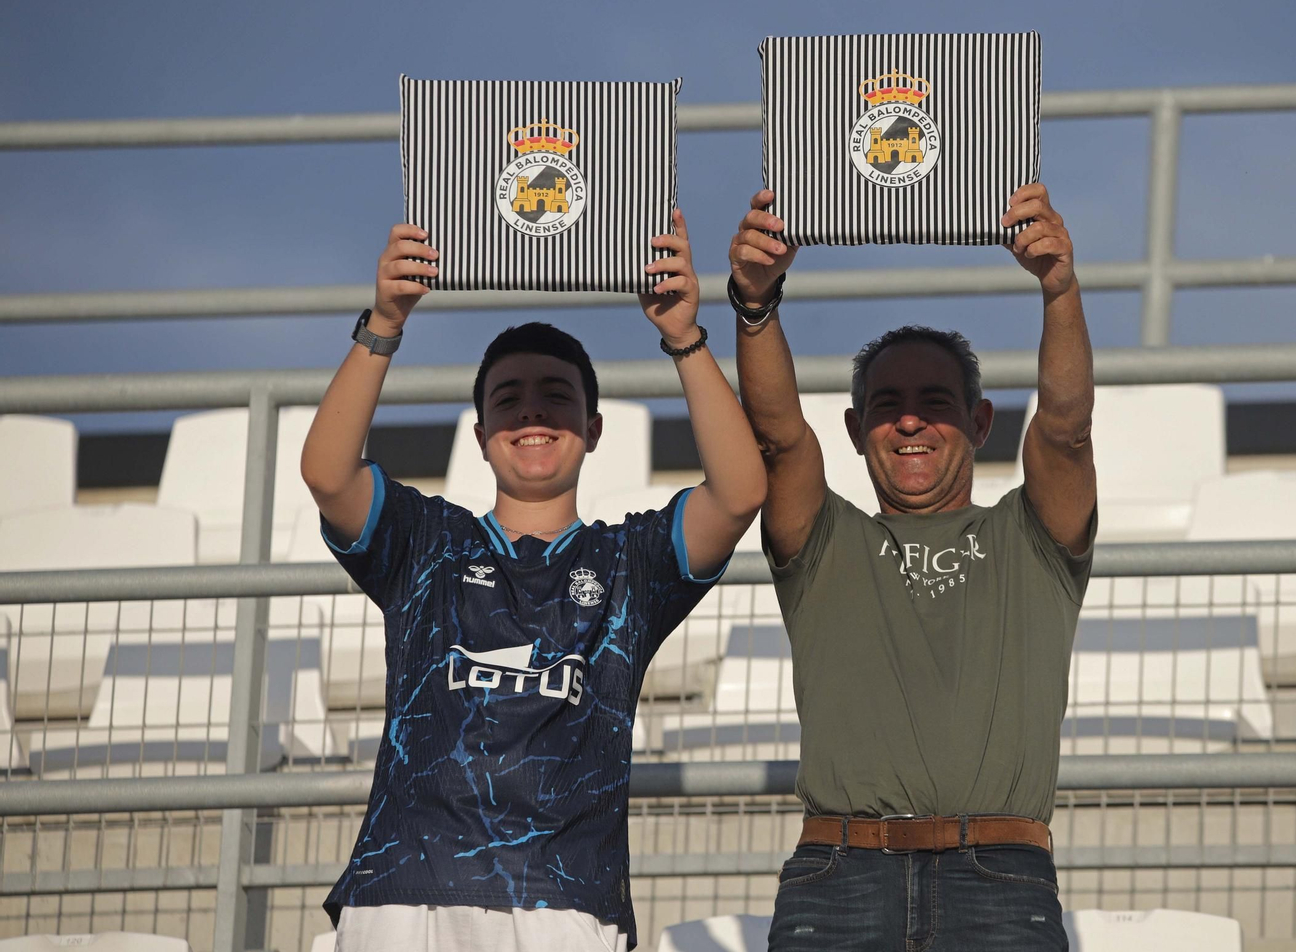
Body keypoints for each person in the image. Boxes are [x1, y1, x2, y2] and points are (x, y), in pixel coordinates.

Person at [302, 213, 765, 951]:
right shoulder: (428, 542)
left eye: (556, 394)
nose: (532, 411)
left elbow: (741, 490)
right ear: (481, 433)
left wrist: (683, 334)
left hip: (565, 898)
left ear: (595, 426)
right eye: (508, 398)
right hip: (405, 886)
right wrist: (385, 321)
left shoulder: (630, 563)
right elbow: (327, 472)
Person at [726, 183, 1096, 951]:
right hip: (839, 879)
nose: (910, 419)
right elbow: (777, 437)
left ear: (982, 422)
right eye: (889, 403)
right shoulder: (823, 539)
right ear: (858, 430)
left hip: (1000, 876)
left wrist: (1058, 287)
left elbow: (1063, 430)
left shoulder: (1035, 534)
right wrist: (755, 304)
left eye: (935, 400)